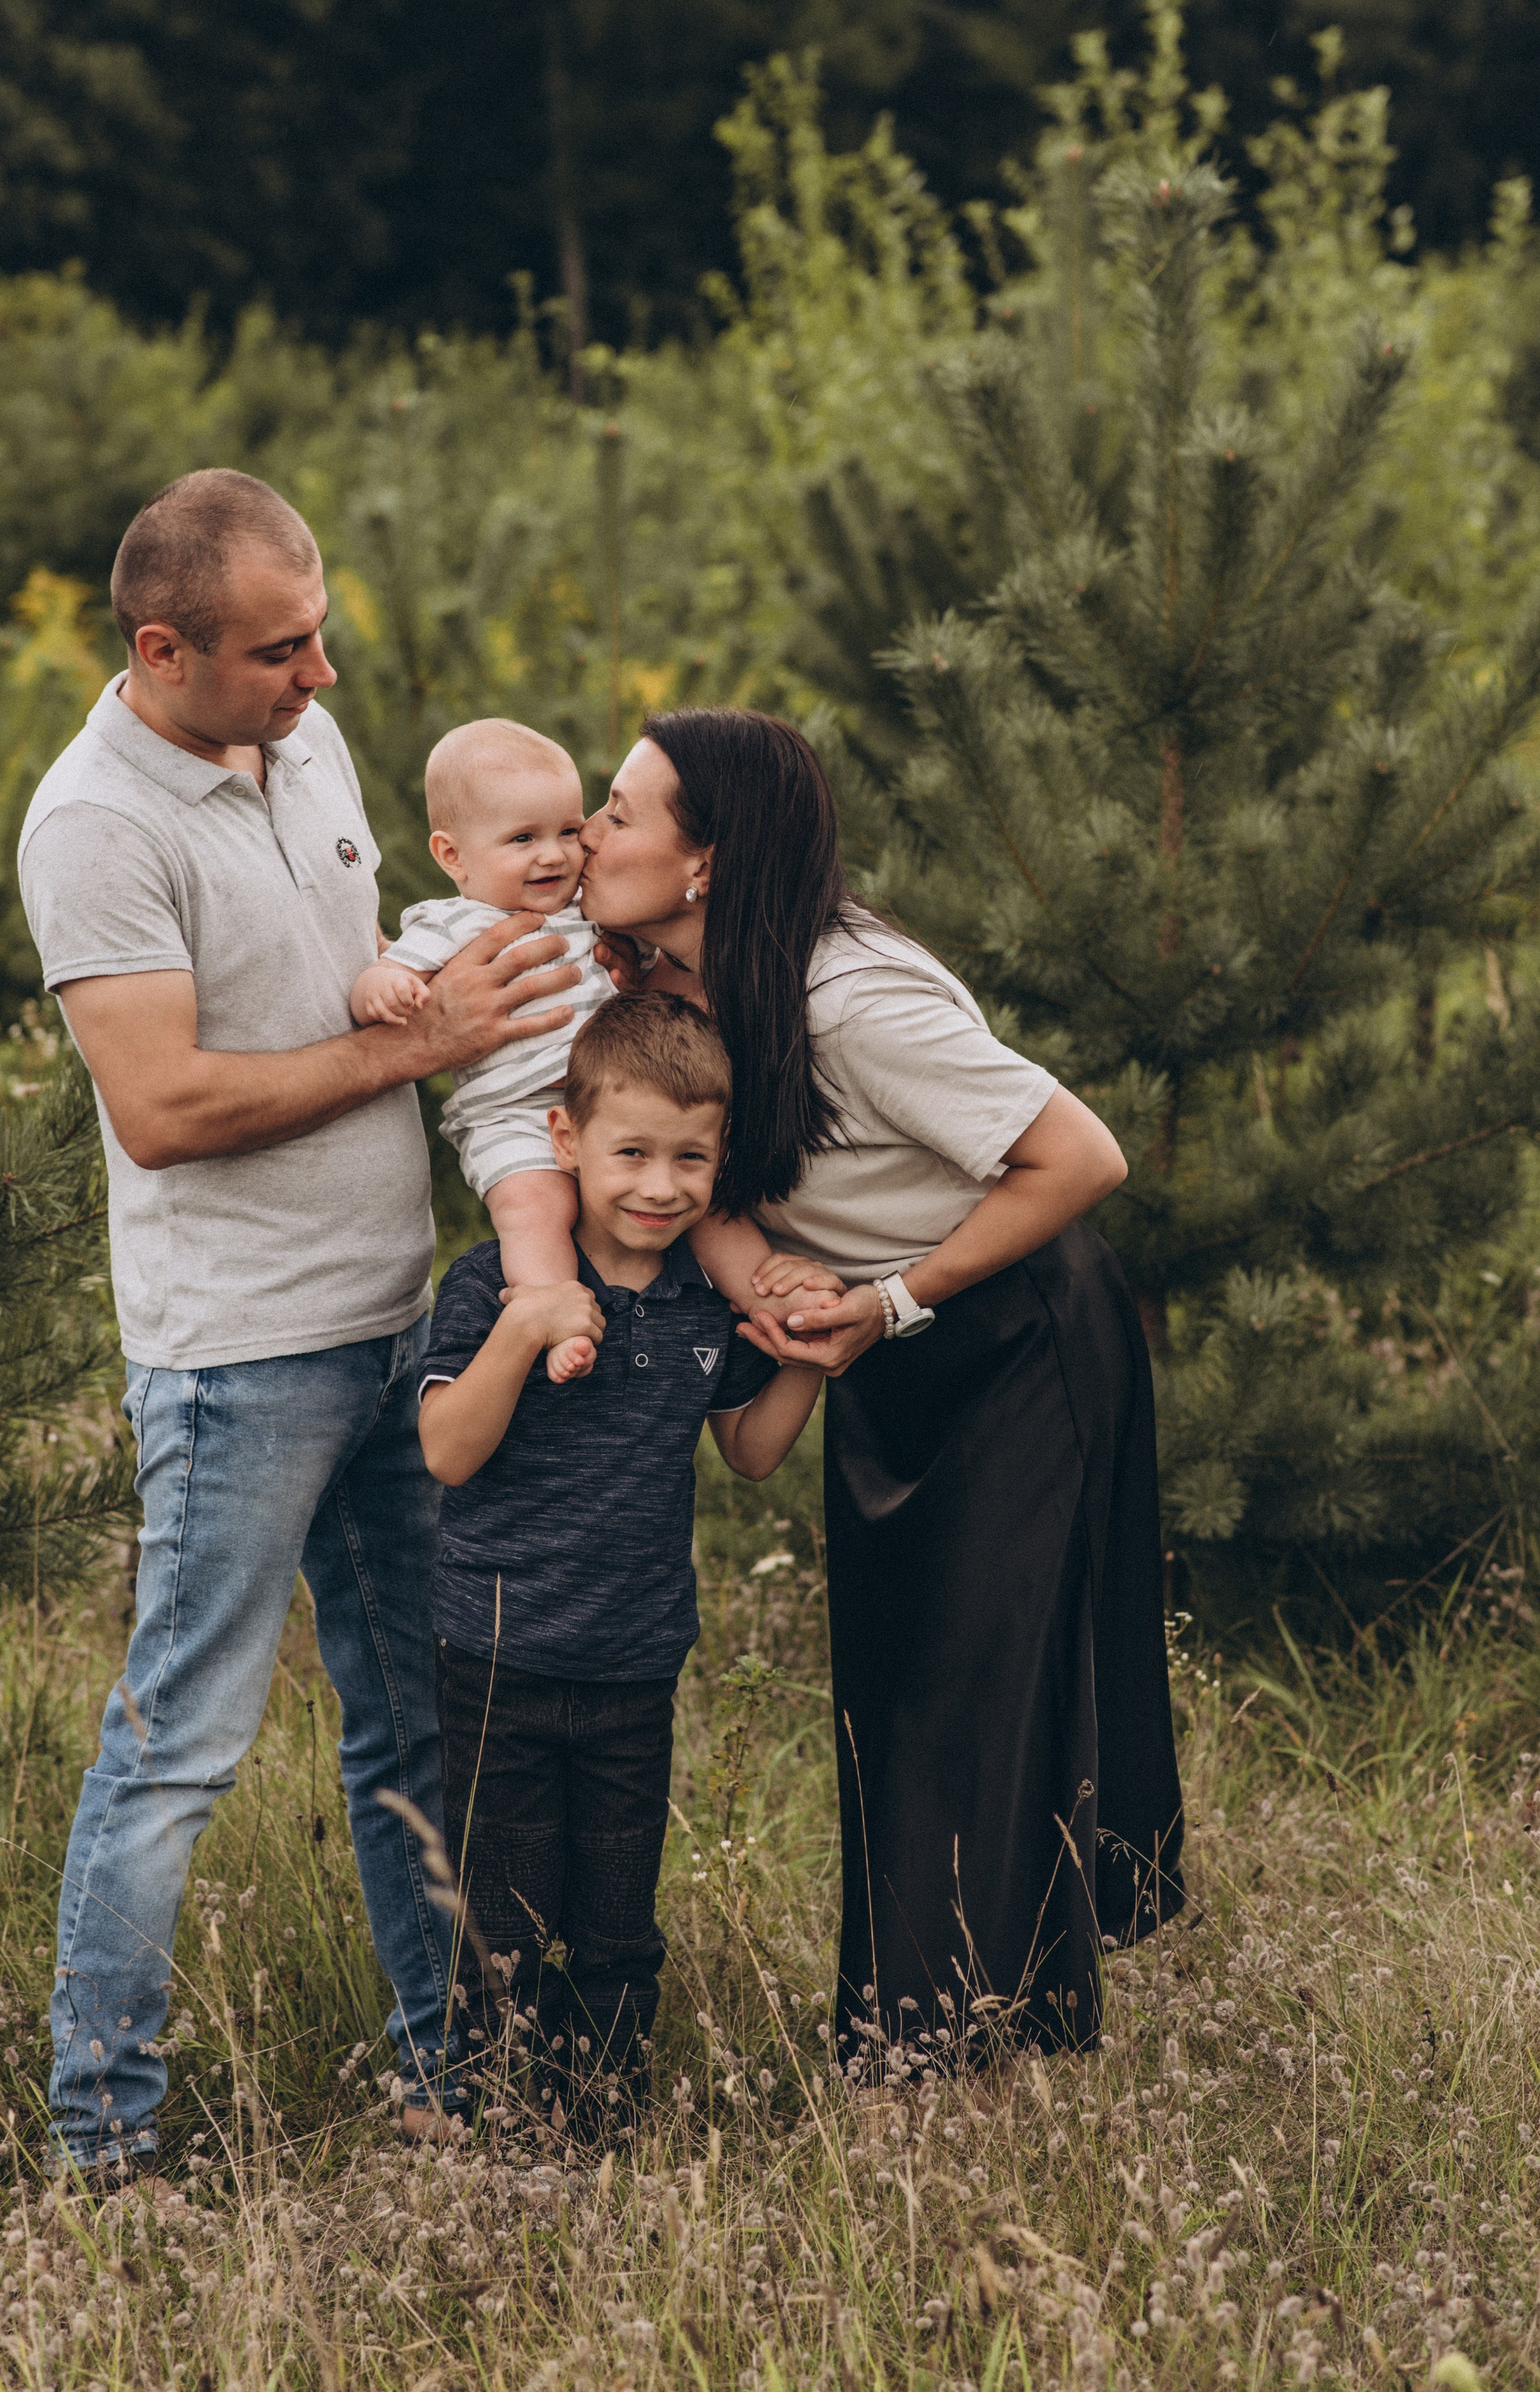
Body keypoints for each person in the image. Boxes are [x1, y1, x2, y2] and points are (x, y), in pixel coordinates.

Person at [17, 468, 582, 2180]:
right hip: (235, 1359)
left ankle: (443, 2081)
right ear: (162, 647)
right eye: (279, 652)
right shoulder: (94, 824)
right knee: (178, 1745)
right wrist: (420, 1047)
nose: (321, 677)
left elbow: (368, 966)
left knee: (414, 1721)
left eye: (320, 636)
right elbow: (166, 1106)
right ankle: (103, 2142)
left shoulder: (300, 737)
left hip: (396, 1328)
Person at [577, 708, 1184, 2078]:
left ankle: (966, 2064)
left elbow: (1080, 1158)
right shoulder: (669, 979)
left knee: (984, 1697)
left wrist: (893, 1298)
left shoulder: (850, 997)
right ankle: (910, 2043)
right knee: (896, 1702)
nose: (587, 830)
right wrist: (772, 1283)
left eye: (619, 810)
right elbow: (710, 1186)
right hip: (884, 1341)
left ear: (707, 862)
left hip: (1016, 1332)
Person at [416, 995, 827, 2132]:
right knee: (500, 1923)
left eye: (690, 1158)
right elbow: (448, 1452)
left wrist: (807, 1355)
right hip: (496, 1655)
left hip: (634, 1663)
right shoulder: (489, 1285)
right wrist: (525, 1324)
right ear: (567, 1141)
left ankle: (598, 2126)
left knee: (614, 1924)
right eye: (631, 1153)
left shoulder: (704, 1304)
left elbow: (749, 1452)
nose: (660, 1185)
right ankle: (500, 2132)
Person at [348, 716, 838, 1384]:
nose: (554, 856)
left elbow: (658, 965)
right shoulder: (452, 924)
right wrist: (387, 987)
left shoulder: (592, 915)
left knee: (700, 1201)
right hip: (515, 1113)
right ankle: (550, 1308)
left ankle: (768, 1295)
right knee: (534, 1207)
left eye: (568, 832)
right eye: (523, 839)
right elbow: (389, 972)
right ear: (453, 855)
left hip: (615, 1102)